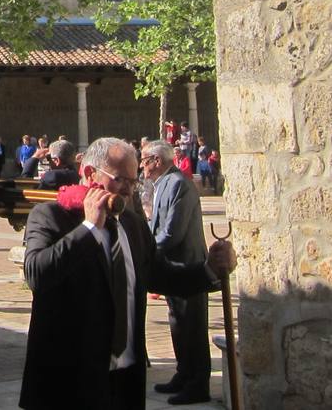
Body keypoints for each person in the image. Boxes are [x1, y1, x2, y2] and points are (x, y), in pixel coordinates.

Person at [20, 137, 235, 410]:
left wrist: (210, 270)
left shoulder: (132, 225)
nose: (128, 191)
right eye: (121, 180)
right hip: (68, 384)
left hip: (125, 381)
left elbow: (160, 276)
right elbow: (37, 274)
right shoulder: (50, 216)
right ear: (89, 174)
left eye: (134, 183)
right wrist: (89, 229)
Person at [143, 139, 211, 404]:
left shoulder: (179, 184)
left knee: (192, 325)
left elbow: (173, 231)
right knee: (178, 323)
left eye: (144, 159)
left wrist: (146, 251)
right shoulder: (163, 184)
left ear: (157, 161)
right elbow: (156, 225)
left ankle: (197, 383)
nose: (142, 165)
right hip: (173, 268)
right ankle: (184, 373)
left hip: (188, 267)